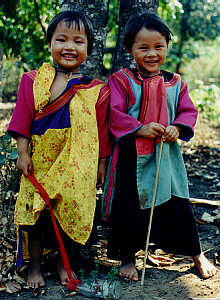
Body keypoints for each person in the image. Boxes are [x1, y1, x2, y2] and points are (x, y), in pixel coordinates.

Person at [102, 12, 218, 282]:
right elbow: (114, 113)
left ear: (167, 46)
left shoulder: (176, 83)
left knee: (178, 202)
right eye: (143, 47)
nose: (151, 53)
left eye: (158, 46)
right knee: (130, 206)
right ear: (130, 49)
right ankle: (129, 258)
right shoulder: (121, 80)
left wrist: (176, 127)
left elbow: (188, 112)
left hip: (167, 157)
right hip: (132, 157)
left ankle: (196, 254)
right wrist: (139, 128)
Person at [8, 10, 111, 289]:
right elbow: (22, 119)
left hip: (78, 165)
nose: (69, 47)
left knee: (73, 210)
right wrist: (23, 153)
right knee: (38, 214)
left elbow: (100, 131)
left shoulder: (96, 89)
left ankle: (66, 263)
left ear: (88, 47)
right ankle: (35, 266)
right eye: (61, 39)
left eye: (78, 41)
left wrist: (101, 164)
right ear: (50, 43)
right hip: (41, 161)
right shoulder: (32, 80)